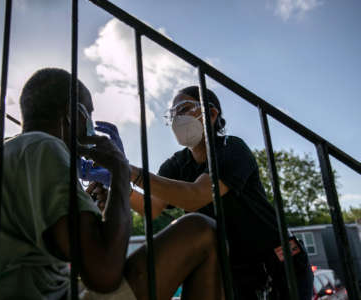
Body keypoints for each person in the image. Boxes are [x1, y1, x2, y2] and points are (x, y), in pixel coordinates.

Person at [0, 69, 225, 300]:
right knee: (200, 230)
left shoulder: (14, 150)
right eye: (90, 115)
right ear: (74, 113)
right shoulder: (44, 147)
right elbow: (103, 272)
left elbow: (193, 197)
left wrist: (112, 195)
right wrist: (120, 172)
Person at [125, 86, 314, 299]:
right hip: (236, 268)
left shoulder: (231, 148)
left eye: (184, 109)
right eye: (173, 114)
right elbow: (152, 207)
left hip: (279, 259)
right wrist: (118, 185)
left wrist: (131, 172)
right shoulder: (177, 164)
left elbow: (196, 195)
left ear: (211, 114)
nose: (178, 118)